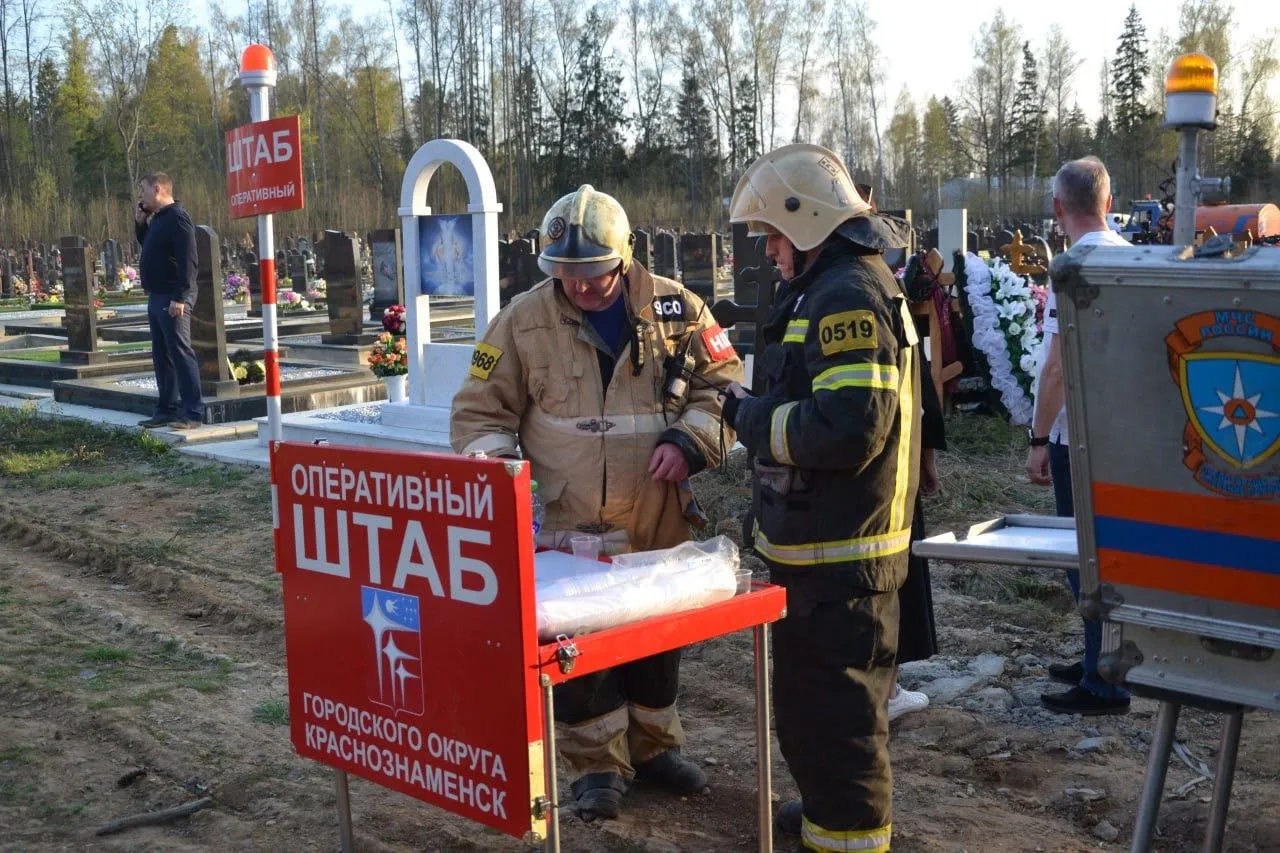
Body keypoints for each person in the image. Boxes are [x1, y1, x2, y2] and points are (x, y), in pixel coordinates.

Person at [450, 185, 742, 820]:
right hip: (568, 520)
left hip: (657, 511)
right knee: (578, 644)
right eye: (565, 273)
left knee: (657, 634)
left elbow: (726, 388)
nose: (579, 286)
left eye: (594, 273)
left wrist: (690, 443)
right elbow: (478, 410)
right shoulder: (521, 321)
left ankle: (655, 748)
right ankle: (597, 766)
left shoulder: (678, 310)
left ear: (625, 257)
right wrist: (500, 475)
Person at [723, 143, 920, 853]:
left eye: (775, 234)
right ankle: (825, 820)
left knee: (839, 725)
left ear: (806, 222)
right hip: (822, 554)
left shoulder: (846, 295)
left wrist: (749, 418)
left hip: (844, 563)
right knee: (810, 714)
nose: (770, 250)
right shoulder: (830, 284)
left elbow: (847, 429)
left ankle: (848, 839)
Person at [1026, 156, 1131, 716]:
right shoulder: (1133, 259)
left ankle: (1104, 680)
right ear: (1109, 202)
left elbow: (1057, 370)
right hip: (1125, 434)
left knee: (1084, 556)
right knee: (1111, 553)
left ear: (1057, 207)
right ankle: (1102, 657)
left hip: (1080, 438)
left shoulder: (1071, 267)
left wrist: (1039, 439)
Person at [134, 172, 203, 429]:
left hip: (172, 295)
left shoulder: (178, 217)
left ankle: (193, 413)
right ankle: (167, 409)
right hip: (157, 295)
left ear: (157, 189)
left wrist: (181, 296)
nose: (140, 196)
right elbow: (150, 247)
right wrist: (141, 223)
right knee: (162, 355)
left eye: (143, 190)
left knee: (180, 353)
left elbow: (188, 259)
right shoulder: (158, 219)